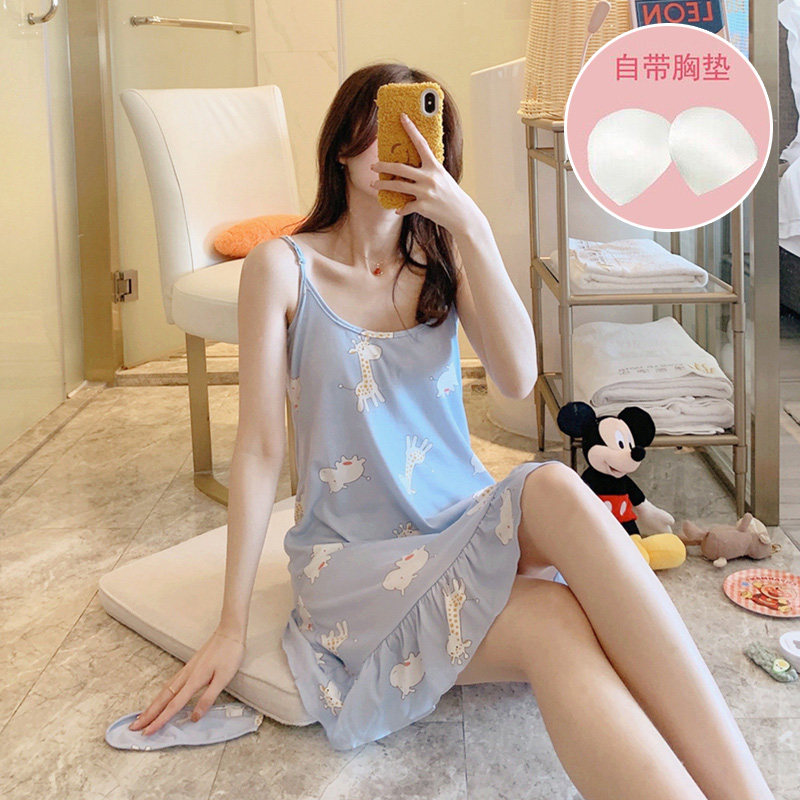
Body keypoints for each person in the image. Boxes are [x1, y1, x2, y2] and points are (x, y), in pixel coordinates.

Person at [128, 63, 774, 800]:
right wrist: (230, 624)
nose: (399, 145)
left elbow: (518, 376)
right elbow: (257, 451)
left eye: (419, 131)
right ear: (341, 145)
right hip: (355, 558)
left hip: (458, 518)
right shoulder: (282, 268)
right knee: (552, 622)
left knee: (555, 485)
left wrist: (471, 225)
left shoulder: (441, 257)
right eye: (383, 126)